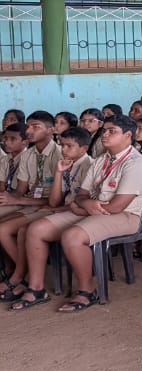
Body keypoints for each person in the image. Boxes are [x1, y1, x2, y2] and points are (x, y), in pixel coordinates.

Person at [12, 117, 142, 312]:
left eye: (112, 131)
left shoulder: (136, 163)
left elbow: (116, 207)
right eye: (104, 130)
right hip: (93, 209)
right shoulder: (102, 159)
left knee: (72, 237)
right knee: (36, 229)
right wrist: (84, 205)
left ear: (128, 135)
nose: (104, 134)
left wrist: (81, 207)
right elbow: (81, 195)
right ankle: (36, 288)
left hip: (128, 216)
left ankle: (87, 291)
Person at [0, 126, 93, 300]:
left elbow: (79, 203)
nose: (63, 150)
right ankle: (22, 276)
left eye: (68, 146)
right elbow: (53, 201)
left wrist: (61, 207)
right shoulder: (68, 164)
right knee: (21, 231)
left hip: (75, 212)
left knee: (27, 229)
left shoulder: (89, 166)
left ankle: (25, 278)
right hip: (58, 207)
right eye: (62, 145)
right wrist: (58, 172)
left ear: (84, 148)